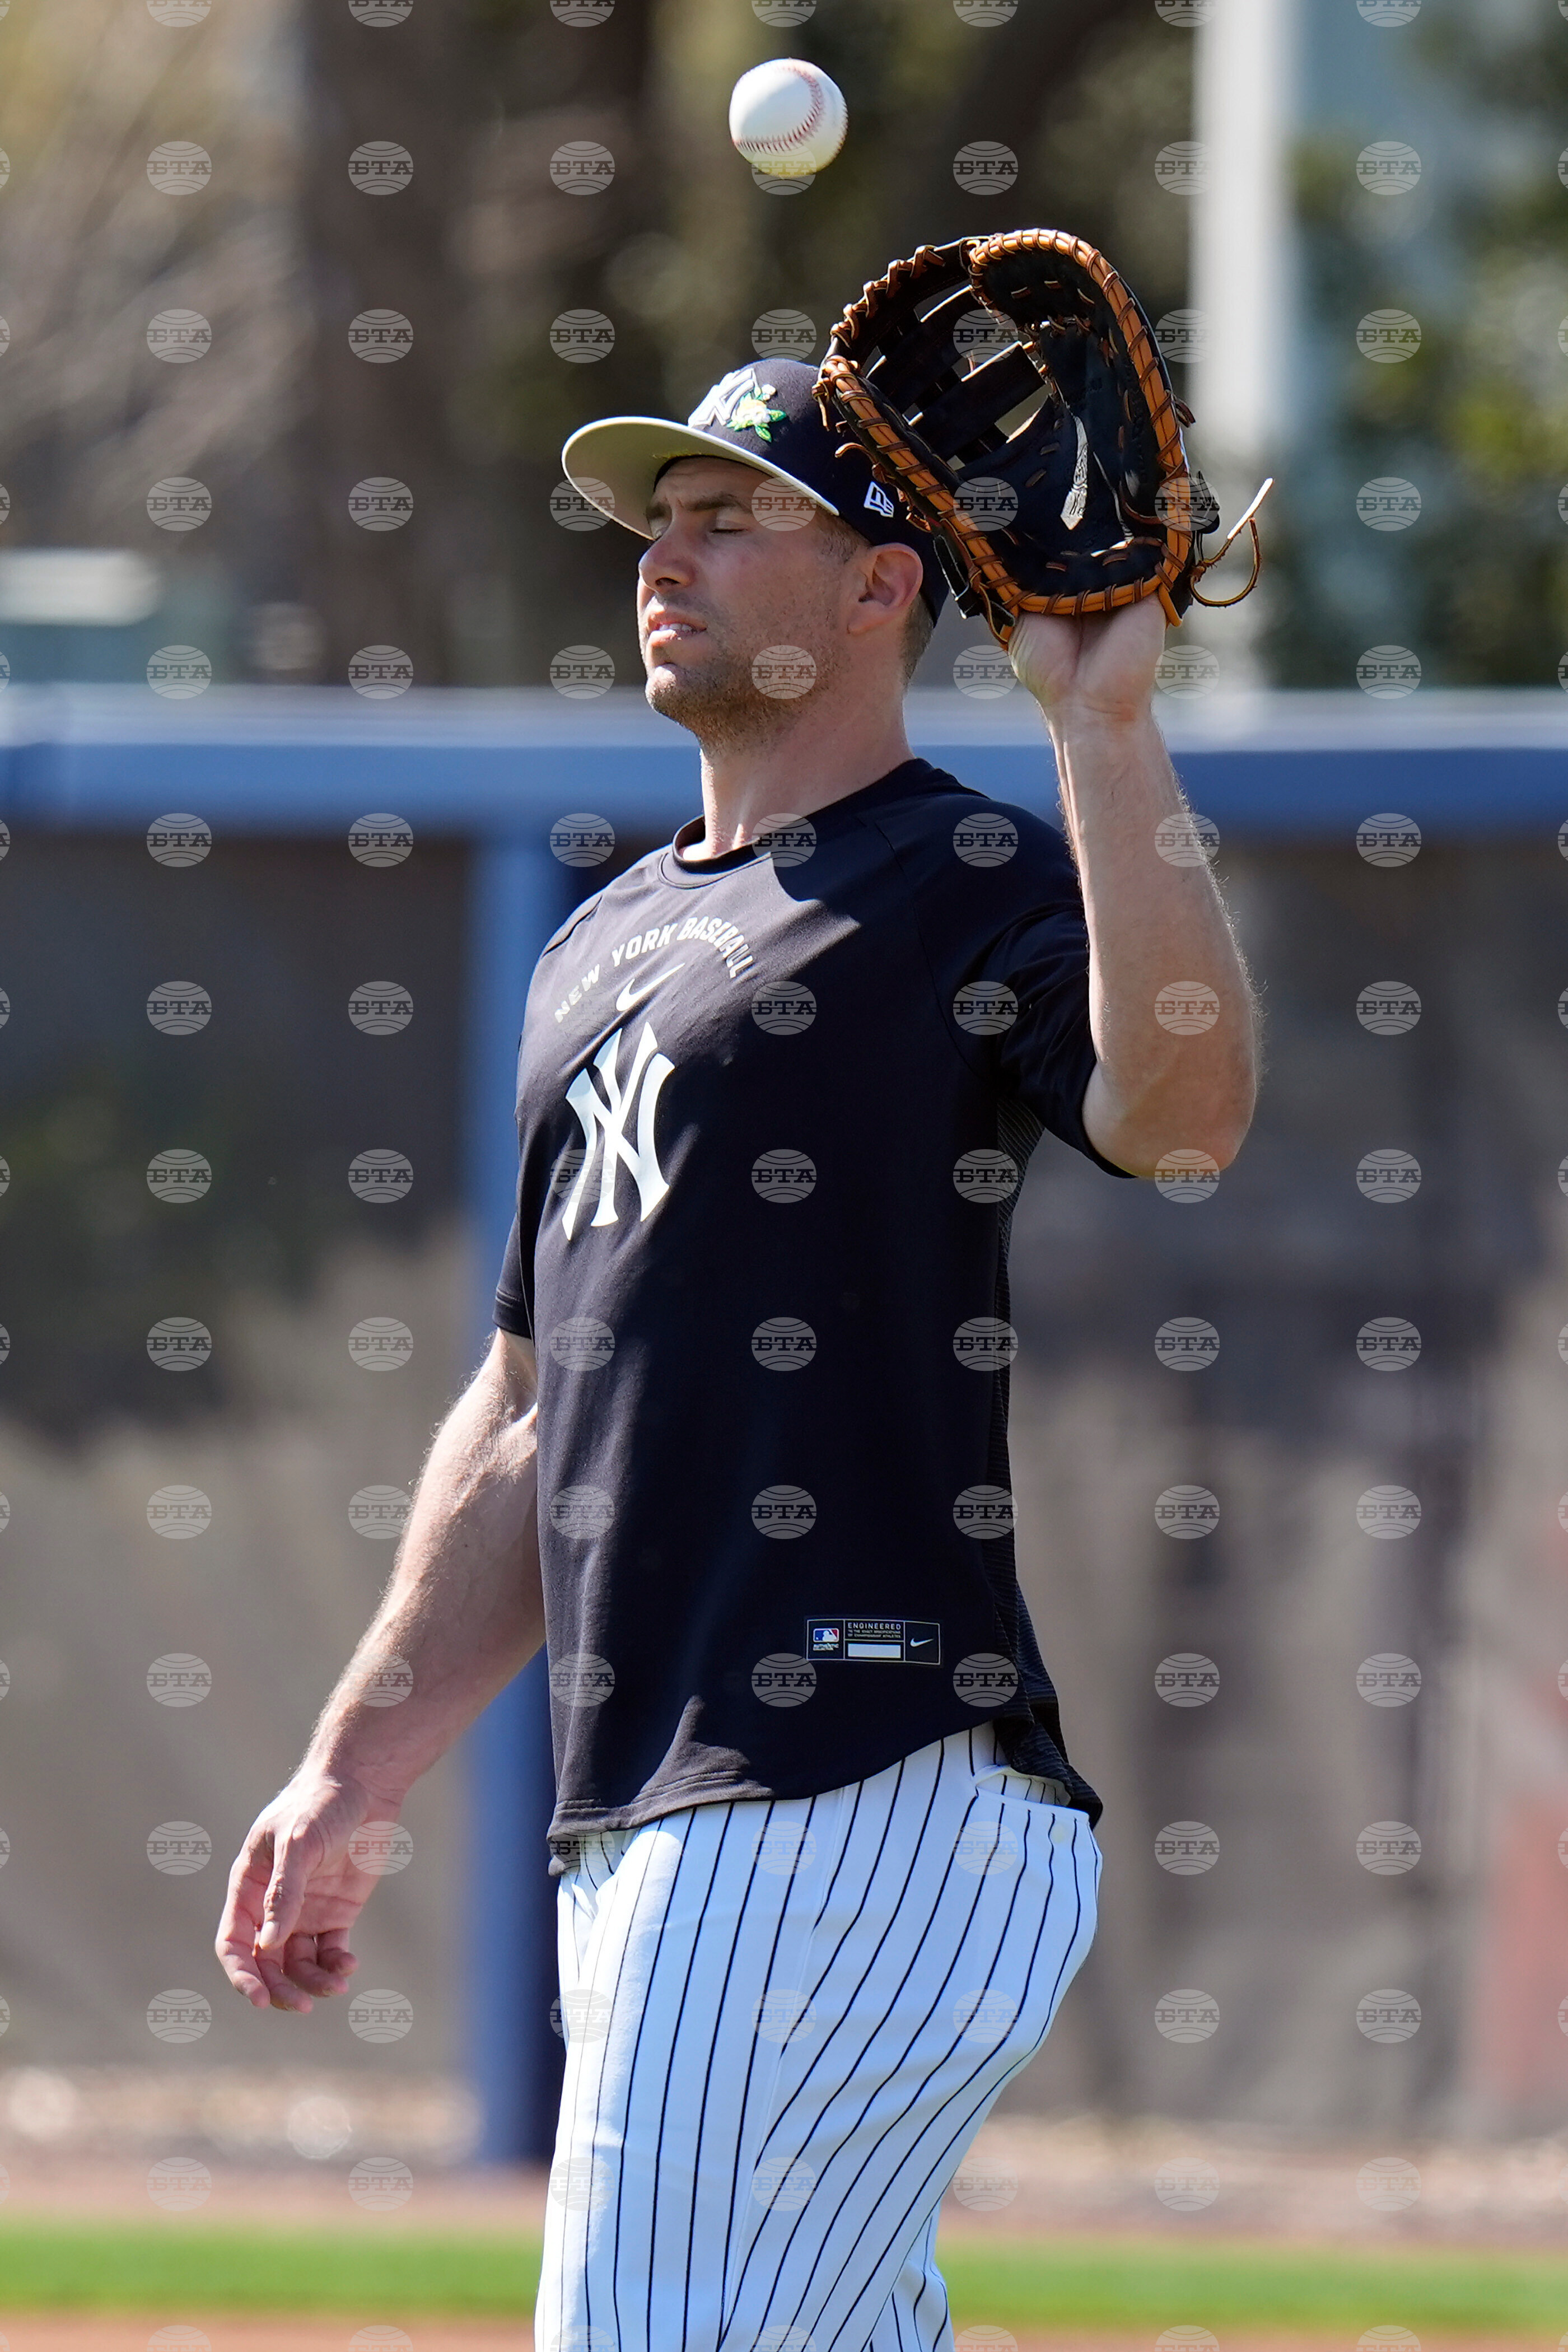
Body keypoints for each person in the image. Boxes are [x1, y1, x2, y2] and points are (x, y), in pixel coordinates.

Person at [217, 357, 1256, 2351]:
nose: (663, 555)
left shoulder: (961, 874)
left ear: (881, 588)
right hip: (663, 1814)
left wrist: (1105, 728)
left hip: (842, 1779)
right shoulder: (596, 942)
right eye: (656, 518)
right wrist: (353, 1771)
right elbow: (532, 1405)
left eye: (729, 514)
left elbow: (1184, 1115)